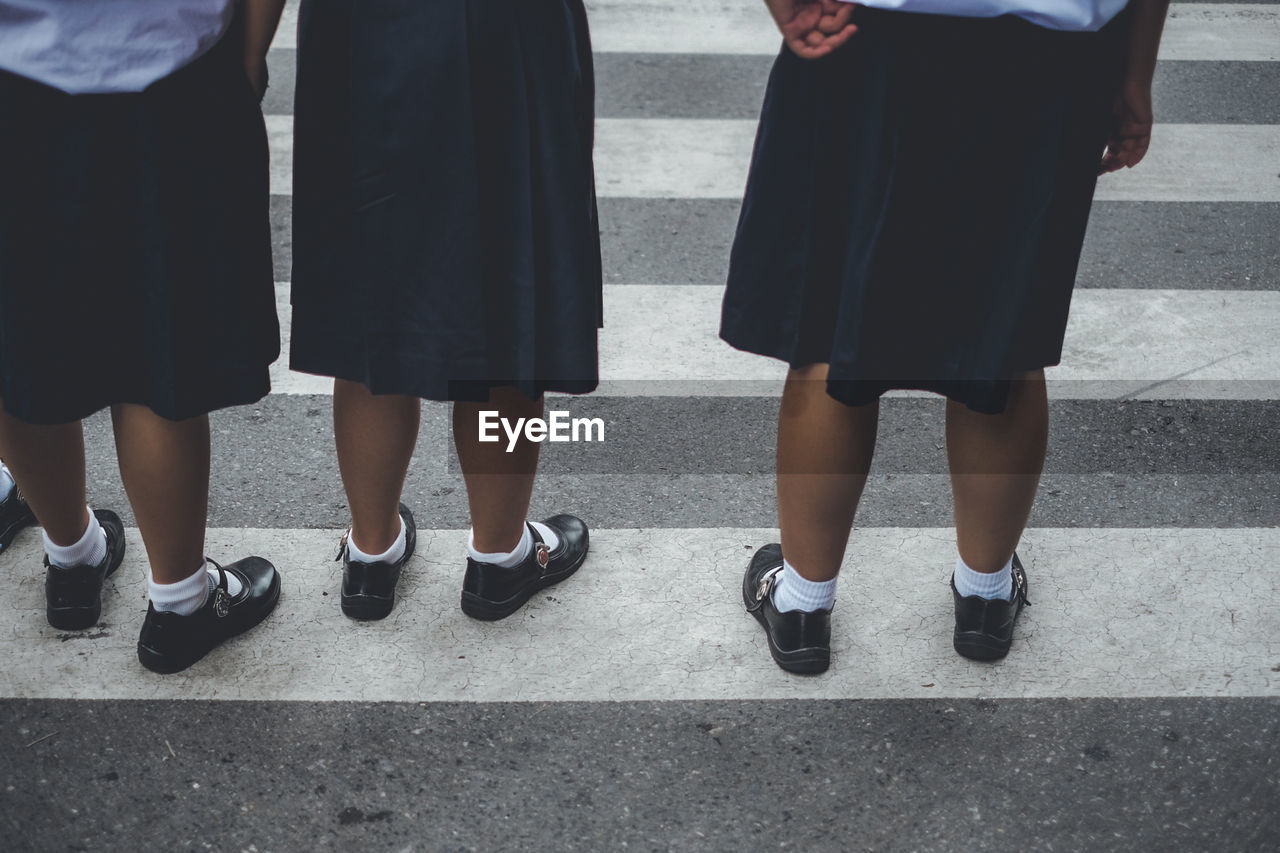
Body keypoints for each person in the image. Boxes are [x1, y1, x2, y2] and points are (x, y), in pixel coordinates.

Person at [724, 0, 1169, 673]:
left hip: (862, 35)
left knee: (829, 324)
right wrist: (1135, 69)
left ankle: (801, 606)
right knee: (1006, 333)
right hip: (1047, 50)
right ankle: (985, 598)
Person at [0, 0, 287, 673]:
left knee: (19, 344)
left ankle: (73, 559)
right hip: (168, 70)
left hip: (14, 75)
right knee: (160, 353)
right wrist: (245, 59)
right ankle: (182, 603)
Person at [290, 0, 597, 621]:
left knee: (371, 285)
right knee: (507, 286)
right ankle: (500, 558)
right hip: (504, 24)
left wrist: (245, 60)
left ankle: (371, 555)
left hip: (361, 25)